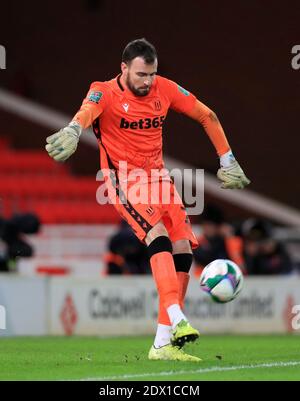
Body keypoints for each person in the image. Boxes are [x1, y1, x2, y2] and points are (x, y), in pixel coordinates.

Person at [45, 38, 250, 361]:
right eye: (141, 74)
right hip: (124, 180)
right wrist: (73, 129)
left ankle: (162, 343)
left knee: (182, 245)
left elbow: (206, 115)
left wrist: (227, 160)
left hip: (159, 179)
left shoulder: (164, 89)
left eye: (152, 74)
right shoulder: (104, 90)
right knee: (158, 236)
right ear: (124, 68)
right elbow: (87, 111)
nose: (147, 82)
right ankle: (178, 318)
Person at [193, 204, 246, 277]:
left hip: (227, 282)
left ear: (218, 227)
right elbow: (207, 260)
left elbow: (241, 268)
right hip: (203, 282)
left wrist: (229, 238)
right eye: (204, 225)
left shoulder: (231, 242)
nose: (207, 228)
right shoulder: (198, 242)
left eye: (210, 225)